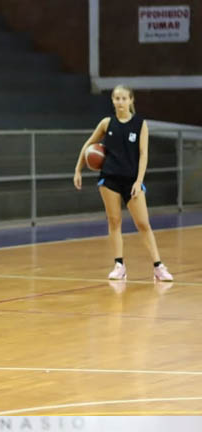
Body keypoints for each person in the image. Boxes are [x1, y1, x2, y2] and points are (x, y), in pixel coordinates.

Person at [73, 84, 173, 292]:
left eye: (123, 98)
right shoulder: (106, 123)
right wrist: (78, 170)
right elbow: (88, 145)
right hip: (109, 179)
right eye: (116, 98)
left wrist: (139, 181)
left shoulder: (140, 124)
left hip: (131, 180)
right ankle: (119, 265)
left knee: (143, 223)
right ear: (112, 100)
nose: (120, 102)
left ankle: (158, 266)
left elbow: (144, 155)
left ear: (131, 100)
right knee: (114, 221)